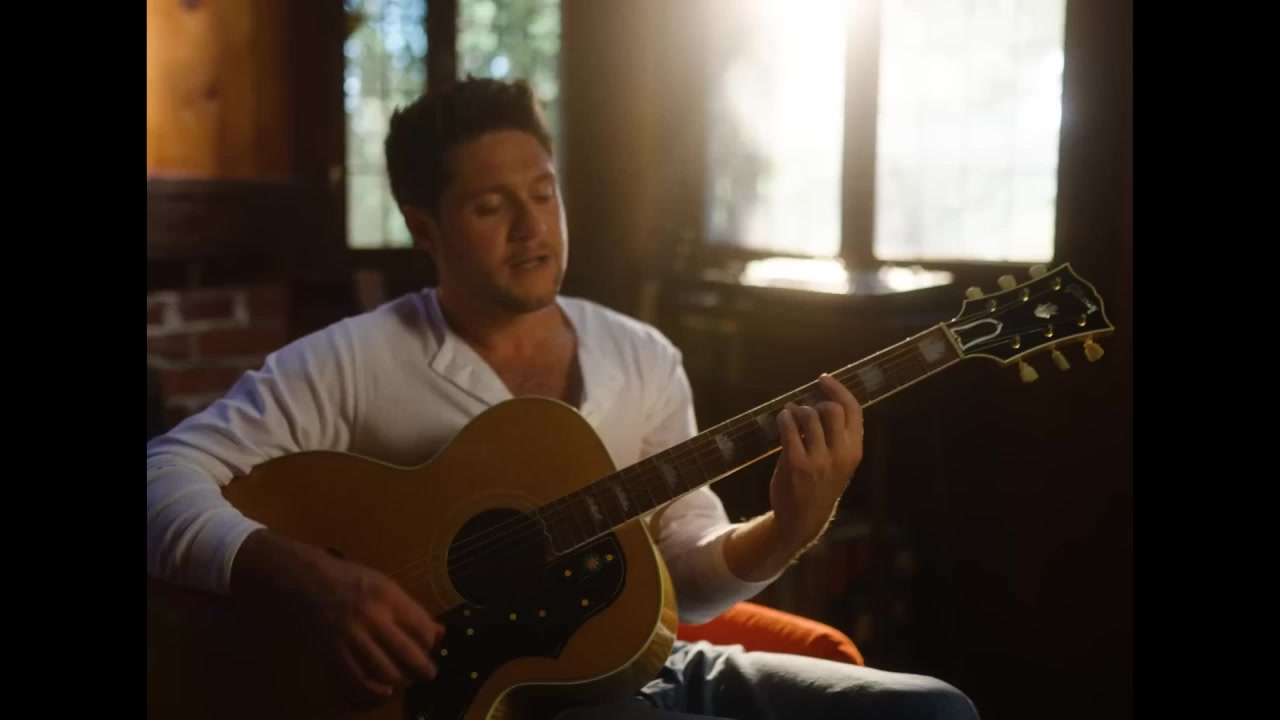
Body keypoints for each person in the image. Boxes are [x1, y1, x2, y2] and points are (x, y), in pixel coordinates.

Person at [146, 77, 978, 720]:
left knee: (937, 710)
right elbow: (160, 476)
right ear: (426, 228)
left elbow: (683, 576)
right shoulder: (351, 360)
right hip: (492, 700)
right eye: (491, 207)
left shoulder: (641, 354)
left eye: (543, 193)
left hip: (652, 668)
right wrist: (306, 580)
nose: (532, 227)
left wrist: (786, 528)